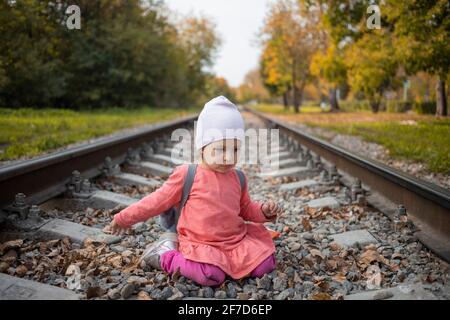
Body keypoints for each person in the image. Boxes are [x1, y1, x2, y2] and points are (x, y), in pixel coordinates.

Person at [109, 96, 283, 286]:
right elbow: (154, 202)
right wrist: (124, 218)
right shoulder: (188, 174)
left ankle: (232, 261)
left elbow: (246, 208)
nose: (229, 157)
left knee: (264, 265)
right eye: (220, 149)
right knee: (210, 275)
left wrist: (264, 211)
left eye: (235, 149)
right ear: (202, 147)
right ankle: (164, 256)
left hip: (234, 240)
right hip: (201, 244)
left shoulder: (238, 177)